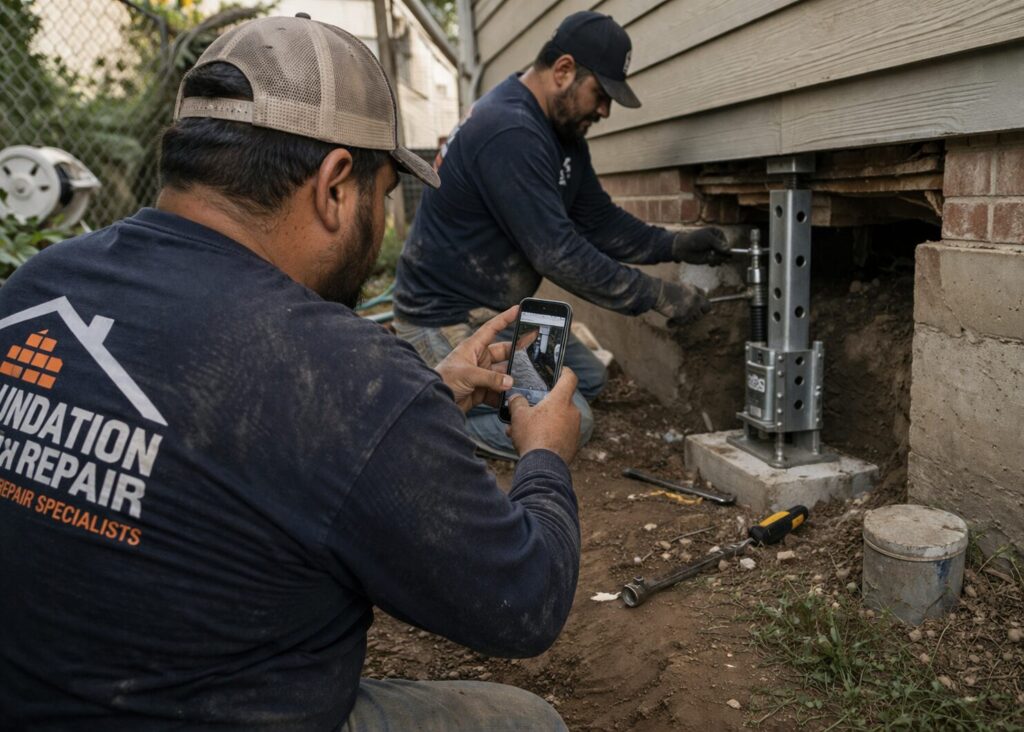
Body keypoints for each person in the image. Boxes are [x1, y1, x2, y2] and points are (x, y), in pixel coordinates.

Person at [0, 15, 583, 731]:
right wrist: (547, 453)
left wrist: (427, 391)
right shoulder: (348, 380)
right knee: (528, 722)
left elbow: (223, 424)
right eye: (383, 190)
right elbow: (524, 601)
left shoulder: (38, 288)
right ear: (337, 185)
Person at [393, 10, 731, 460]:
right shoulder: (510, 129)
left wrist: (674, 244)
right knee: (574, 425)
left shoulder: (562, 134)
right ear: (564, 70)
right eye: (601, 94)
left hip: (499, 311)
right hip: (445, 315)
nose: (605, 110)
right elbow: (559, 254)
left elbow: (599, 222)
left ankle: (484, 398)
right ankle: (427, 416)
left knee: (589, 380)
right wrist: (658, 295)